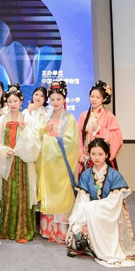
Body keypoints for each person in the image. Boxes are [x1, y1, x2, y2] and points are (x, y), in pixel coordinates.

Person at [66, 138, 135, 267]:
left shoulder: (114, 175)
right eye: (93, 154)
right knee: (76, 226)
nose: (97, 157)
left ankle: (91, 247)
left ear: (107, 155)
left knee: (104, 236)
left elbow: (113, 203)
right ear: (89, 154)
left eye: (100, 154)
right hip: (90, 214)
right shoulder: (86, 175)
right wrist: (84, 220)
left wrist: (91, 209)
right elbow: (82, 200)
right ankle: (87, 244)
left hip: (109, 215)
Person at [0, 84, 40, 242]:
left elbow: (35, 141)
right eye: (10, 101)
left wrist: (25, 130)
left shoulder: (28, 119)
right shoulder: (1, 121)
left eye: (15, 101)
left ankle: (23, 230)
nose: (13, 104)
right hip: (8, 162)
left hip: (24, 163)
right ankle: (7, 228)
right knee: (7, 194)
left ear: (21, 101)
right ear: (6, 103)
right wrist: (4, 150)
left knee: (23, 194)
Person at [37, 81, 80, 244]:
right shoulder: (46, 117)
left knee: (62, 194)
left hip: (62, 164)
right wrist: (44, 130)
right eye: (53, 99)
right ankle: (48, 230)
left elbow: (71, 143)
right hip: (48, 165)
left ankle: (61, 231)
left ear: (64, 99)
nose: (55, 102)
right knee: (49, 192)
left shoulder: (70, 119)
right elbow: (37, 135)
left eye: (59, 99)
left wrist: (49, 140)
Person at [77, 80, 123, 175]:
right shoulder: (83, 116)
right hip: (86, 159)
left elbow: (117, 138)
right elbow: (78, 138)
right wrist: (81, 155)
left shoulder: (109, 116)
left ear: (104, 99)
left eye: (98, 97)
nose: (94, 99)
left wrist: (100, 129)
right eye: (92, 96)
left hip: (102, 161)